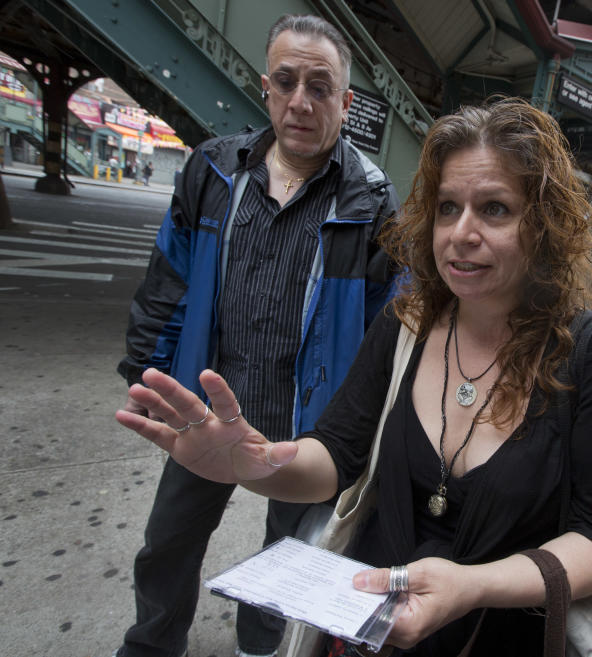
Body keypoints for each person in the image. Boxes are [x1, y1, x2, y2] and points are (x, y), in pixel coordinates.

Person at [116, 99, 592, 657]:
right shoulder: (407, 323)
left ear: (543, 226)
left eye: (495, 209)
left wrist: (472, 586)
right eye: (448, 208)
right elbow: (336, 455)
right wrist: (254, 464)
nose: (462, 232)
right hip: (366, 636)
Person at [113, 14, 399, 657]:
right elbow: (169, 279)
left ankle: (258, 647)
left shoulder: (373, 204)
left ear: (346, 104)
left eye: (320, 87)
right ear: (265, 87)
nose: (301, 101)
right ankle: (152, 645)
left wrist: (362, 432)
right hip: (207, 412)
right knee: (167, 543)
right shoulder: (213, 173)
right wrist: (146, 372)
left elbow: (385, 330)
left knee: (286, 563)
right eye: (288, 81)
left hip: (306, 427)